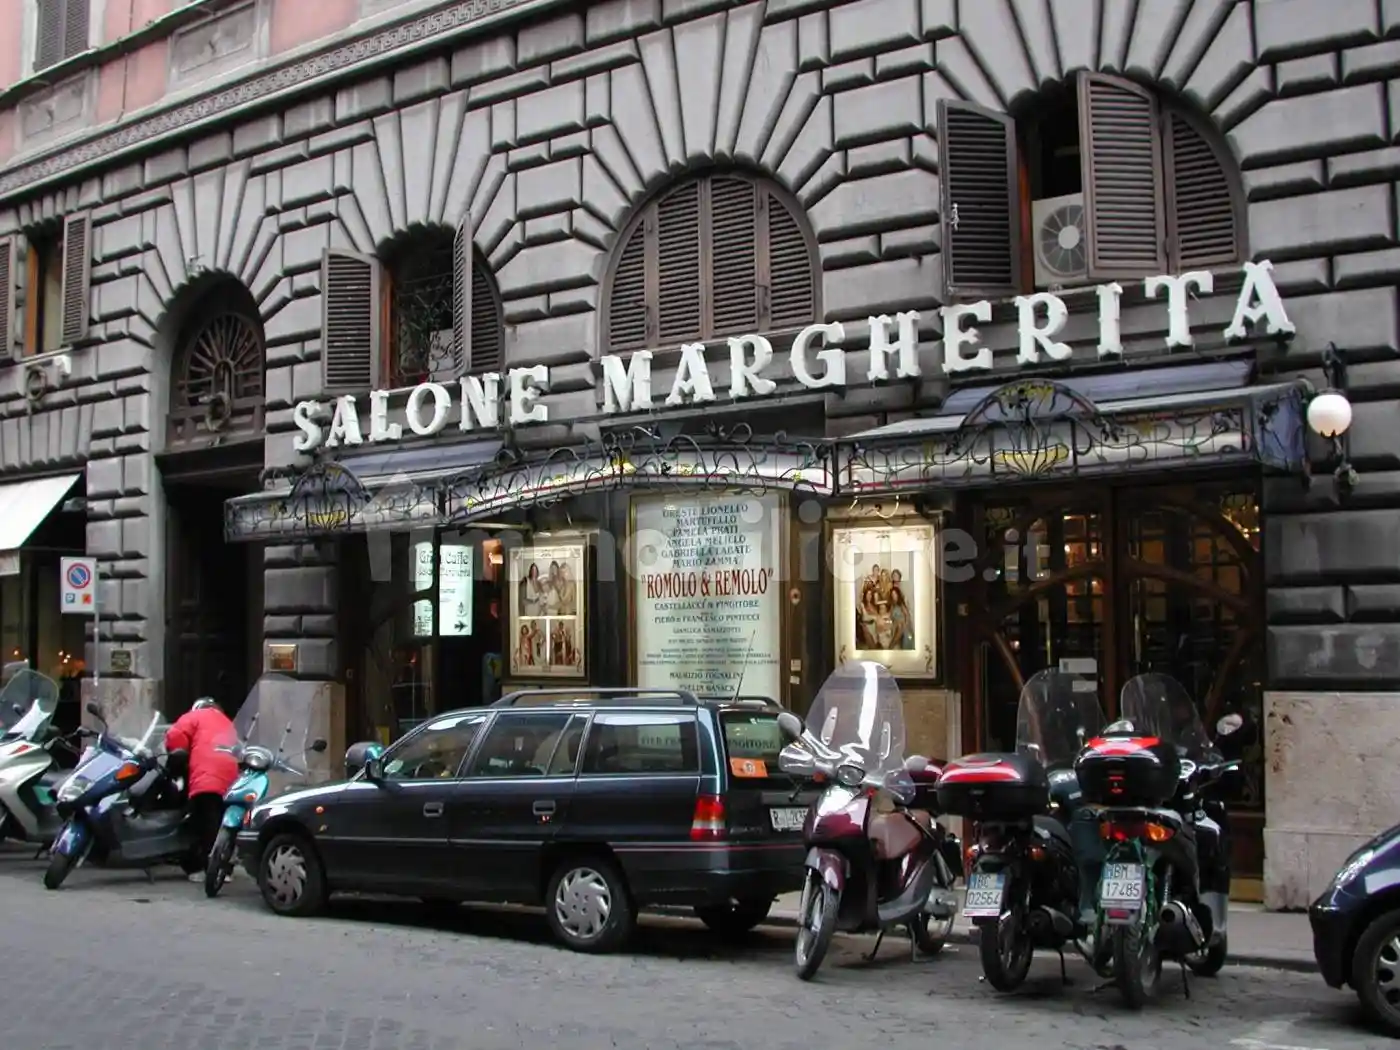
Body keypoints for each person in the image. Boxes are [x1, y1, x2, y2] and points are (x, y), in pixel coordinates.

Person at [163, 697, 239, 882]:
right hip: (230, 777)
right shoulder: (228, 722)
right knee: (222, 823)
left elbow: (175, 736)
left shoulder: (194, 716)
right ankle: (225, 868)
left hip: (205, 776)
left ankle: (199, 867)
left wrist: (175, 757)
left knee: (200, 822)